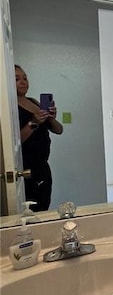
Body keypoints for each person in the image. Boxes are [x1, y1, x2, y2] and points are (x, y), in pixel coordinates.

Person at [15, 65, 63, 211]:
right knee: (31, 213)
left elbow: (59, 130)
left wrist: (51, 118)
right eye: (17, 79)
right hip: (26, 171)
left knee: (43, 207)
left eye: (25, 78)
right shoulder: (9, 107)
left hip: (43, 168)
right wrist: (33, 123)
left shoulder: (34, 102)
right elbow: (14, 144)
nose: (23, 82)